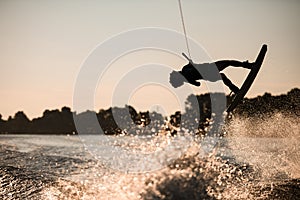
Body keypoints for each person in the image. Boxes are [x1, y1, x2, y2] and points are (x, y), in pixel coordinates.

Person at [169, 59, 254, 94]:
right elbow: (191, 65)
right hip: (210, 69)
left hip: (209, 77)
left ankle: (234, 89)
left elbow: (198, 84)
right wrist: (191, 63)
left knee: (222, 76)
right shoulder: (185, 69)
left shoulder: (187, 79)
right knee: (228, 63)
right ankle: (248, 65)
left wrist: (191, 66)